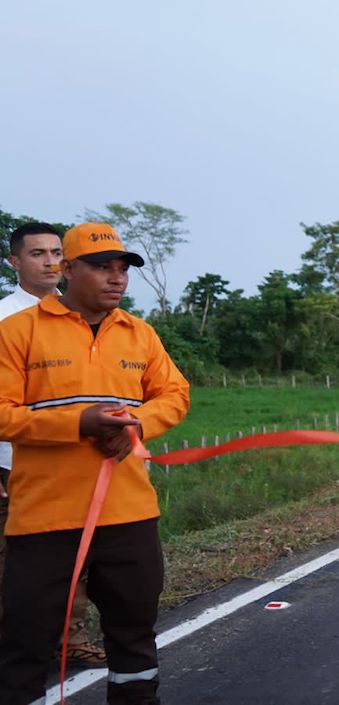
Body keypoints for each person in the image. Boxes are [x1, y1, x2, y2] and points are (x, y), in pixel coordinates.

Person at [0, 222, 190, 704]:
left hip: (128, 515)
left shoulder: (139, 334)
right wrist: (77, 424)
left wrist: (138, 424)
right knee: (27, 644)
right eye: (102, 268)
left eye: (123, 270)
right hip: (44, 517)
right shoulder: (18, 332)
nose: (117, 279)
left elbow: (175, 394)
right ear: (68, 270)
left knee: (133, 639)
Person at [0, 223, 108, 668]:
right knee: (20, 565)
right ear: (14, 262)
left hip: (81, 459)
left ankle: (70, 638)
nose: (49, 262)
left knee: (79, 555)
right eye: (37, 254)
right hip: (15, 463)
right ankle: (20, 649)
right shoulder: (7, 318)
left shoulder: (83, 316)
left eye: (56, 253)